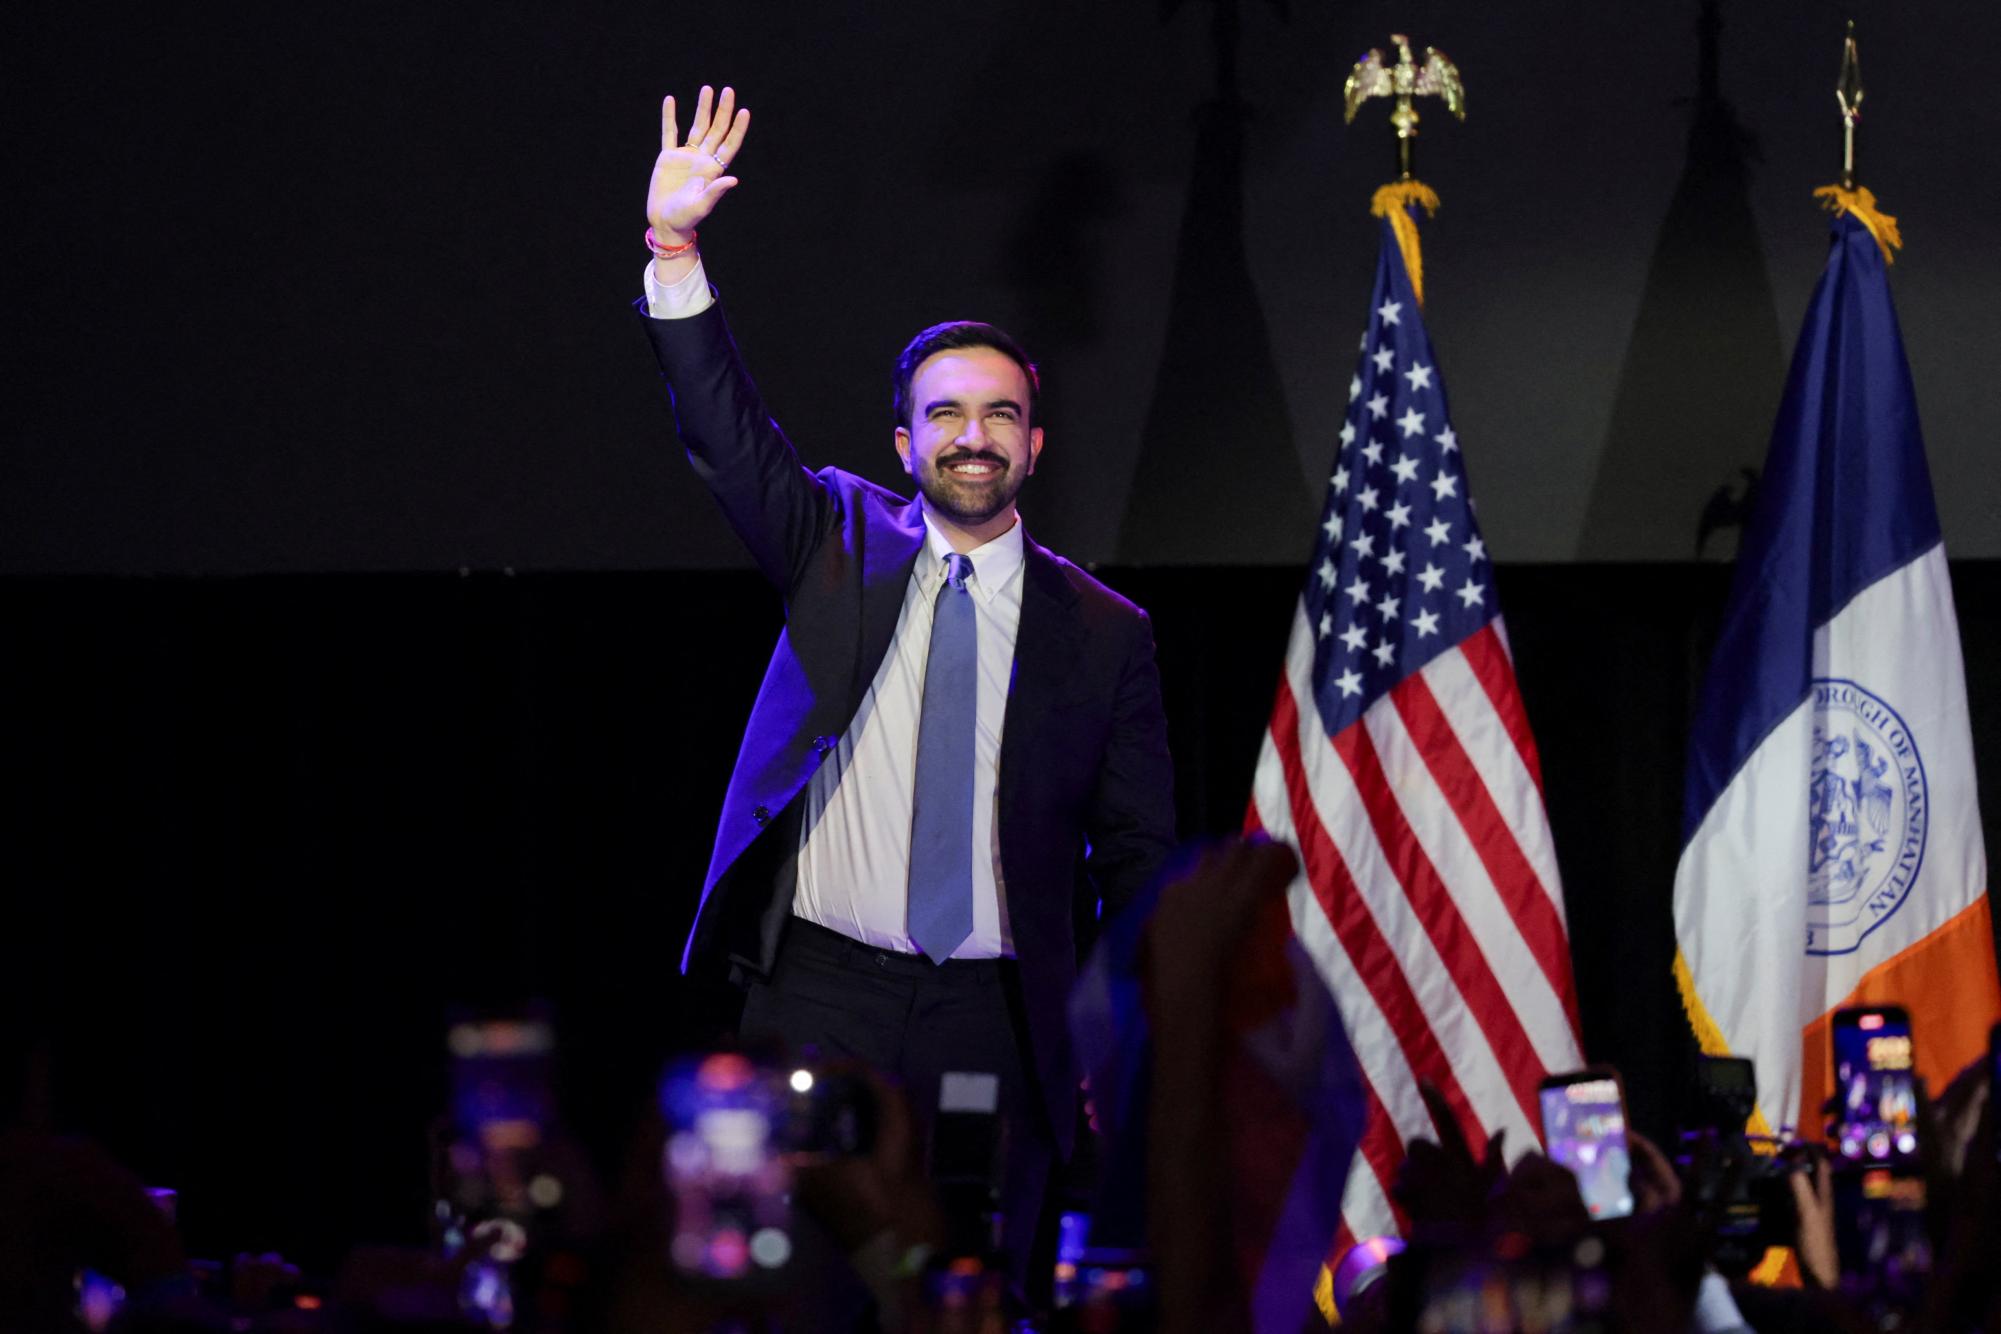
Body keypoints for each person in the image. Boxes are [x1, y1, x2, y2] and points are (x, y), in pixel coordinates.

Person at [631, 85, 1177, 1289]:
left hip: (999, 1011)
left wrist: (1127, 1030)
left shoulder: (1106, 632)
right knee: (801, 1289)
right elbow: (727, 436)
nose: (971, 436)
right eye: (945, 415)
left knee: (972, 1285)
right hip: (821, 993)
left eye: (1000, 415)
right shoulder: (836, 536)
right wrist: (676, 249)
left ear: (1035, 443)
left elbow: (1138, 856)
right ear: (903, 442)